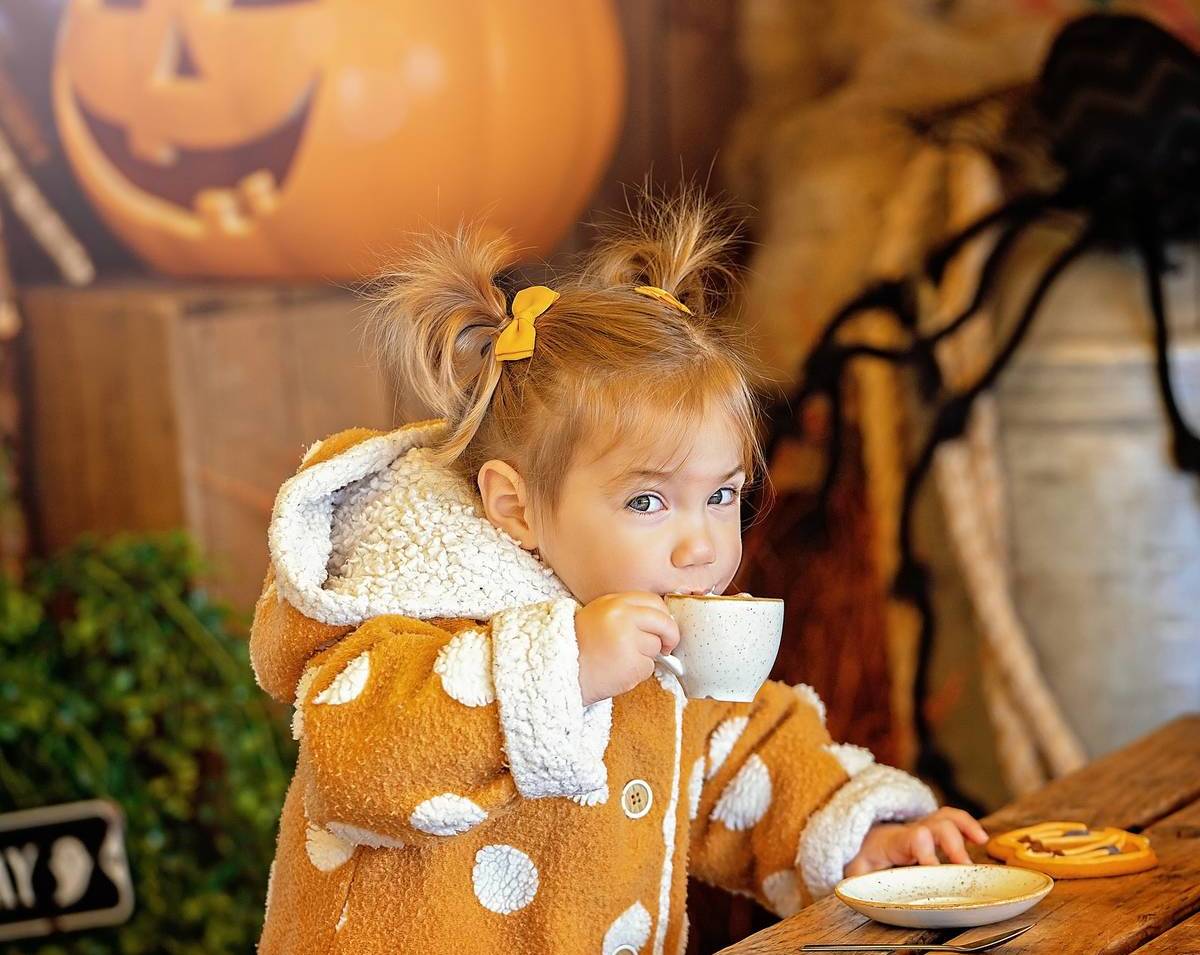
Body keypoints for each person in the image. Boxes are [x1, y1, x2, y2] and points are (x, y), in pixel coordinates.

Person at [250, 192, 987, 954]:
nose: (700, 544)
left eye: (722, 495)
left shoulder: (651, 638)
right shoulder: (417, 609)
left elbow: (743, 755)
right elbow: (355, 767)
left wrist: (862, 836)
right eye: (647, 500)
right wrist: (559, 672)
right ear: (519, 508)